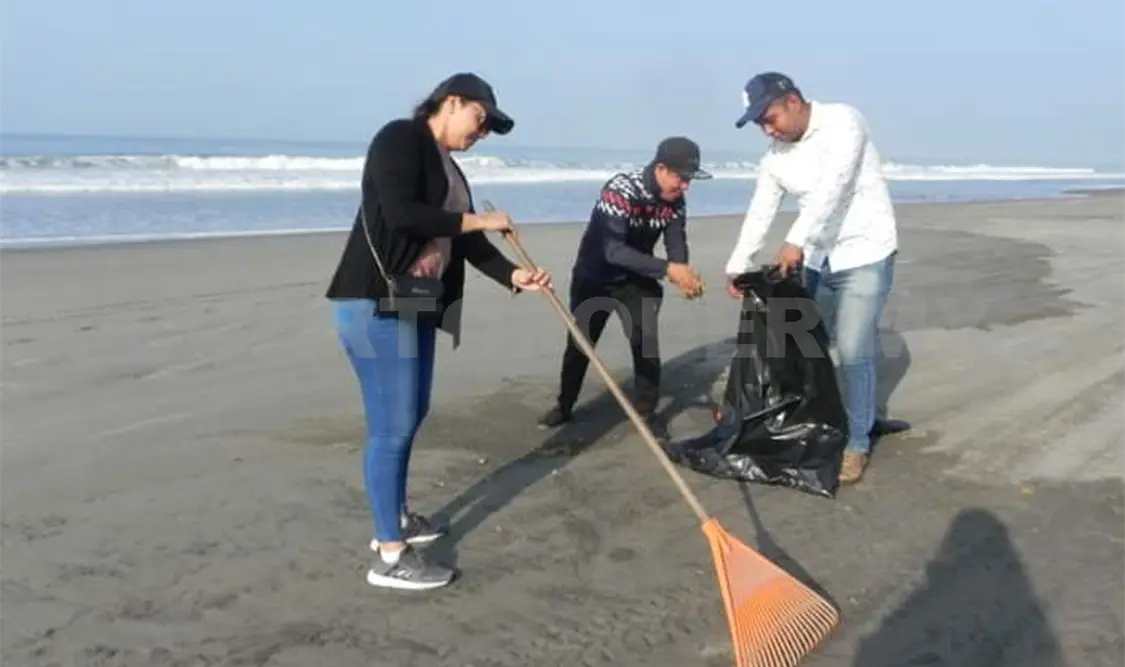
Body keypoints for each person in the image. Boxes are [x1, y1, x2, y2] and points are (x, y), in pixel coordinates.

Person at [325, 72, 551, 591]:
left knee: (410, 413)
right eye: (480, 118)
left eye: (490, 126)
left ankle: (397, 517)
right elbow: (403, 217)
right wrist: (479, 222)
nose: (483, 132)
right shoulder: (399, 139)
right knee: (392, 423)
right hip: (372, 300)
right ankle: (388, 554)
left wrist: (513, 276)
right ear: (452, 103)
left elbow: (464, 243)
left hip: (417, 301)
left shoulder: (450, 169)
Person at [723, 71, 901, 486]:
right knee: (807, 343)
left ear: (794, 101)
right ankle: (824, 418)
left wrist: (795, 240)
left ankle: (857, 443)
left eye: (769, 117)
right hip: (820, 259)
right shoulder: (774, 158)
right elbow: (760, 210)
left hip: (866, 251)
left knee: (854, 350)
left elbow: (834, 187)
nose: (767, 129)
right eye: (759, 124)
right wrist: (738, 264)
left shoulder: (844, 121)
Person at [538, 137, 709, 431]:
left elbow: (676, 240)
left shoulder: (675, 200)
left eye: (690, 179)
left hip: (638, 279)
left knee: (645, 342)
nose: (686, 187)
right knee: (581, 344)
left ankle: (645, 412)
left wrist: (683, 272)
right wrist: (669, 269)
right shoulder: (620, 191)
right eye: (682, 178)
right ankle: (564, 405)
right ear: (661, 169)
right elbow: (613, 251)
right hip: (595, 277)